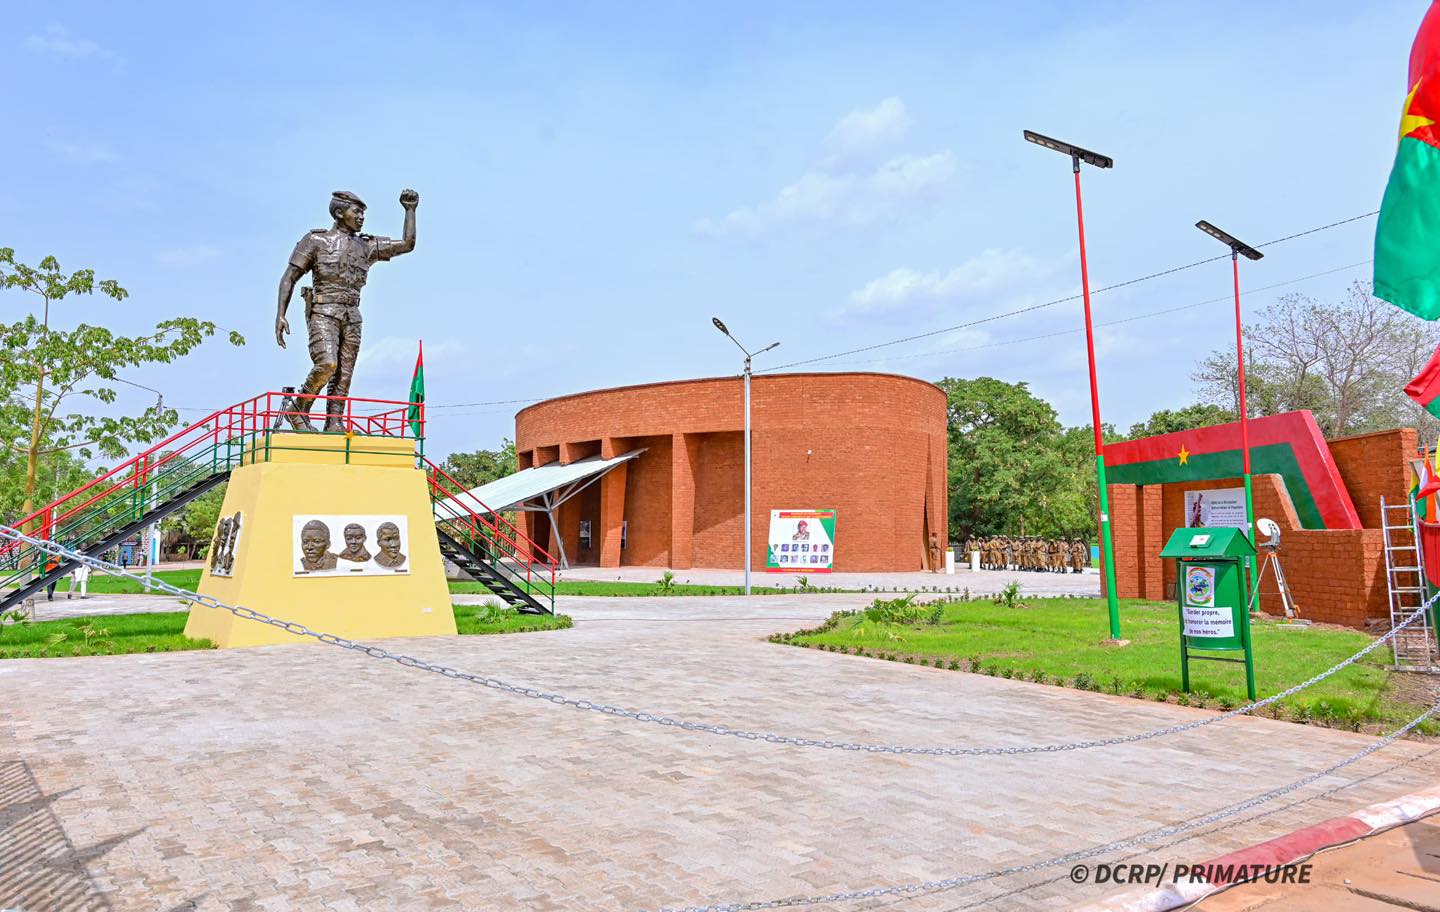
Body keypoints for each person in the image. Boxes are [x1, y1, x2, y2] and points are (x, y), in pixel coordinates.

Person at [275, 189, 420, 432]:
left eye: (363, 212)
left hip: (352, 314)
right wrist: (281, 314)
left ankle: (334, 421)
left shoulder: (366, 246)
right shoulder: (315, 241)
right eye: (357, 211)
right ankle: (298, 409)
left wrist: (410, 211)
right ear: (340, 212)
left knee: (344, 372)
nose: (362, 217)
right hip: (323, 311)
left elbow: (407, 244)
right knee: (327, 364)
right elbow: (289, 277)